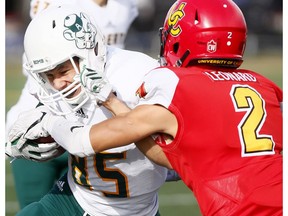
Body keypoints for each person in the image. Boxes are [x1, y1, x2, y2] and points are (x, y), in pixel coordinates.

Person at [7, 0, 283, 215]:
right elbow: (174, 159)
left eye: (63, 71)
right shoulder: (264, 85)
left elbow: (82, 141)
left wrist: (48, 123)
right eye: (50, 76)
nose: (57, 83)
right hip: (77, 195)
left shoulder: (160, 80)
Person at [6, 0, 139, 209]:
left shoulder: (126, 6)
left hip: (96, 115)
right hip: (47, 116)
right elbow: (41, 63)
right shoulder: (57, 5)